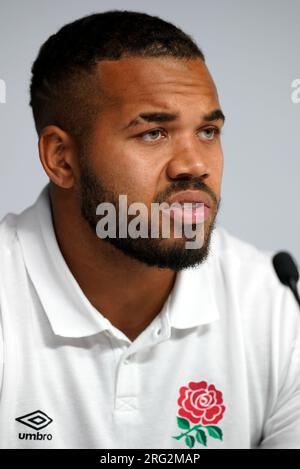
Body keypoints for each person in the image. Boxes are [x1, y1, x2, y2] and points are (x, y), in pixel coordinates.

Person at [0, 10, 299, 450]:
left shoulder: (273, 305)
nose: (195, 165)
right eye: (154, 133)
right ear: (61, 158)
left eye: (208, 131)